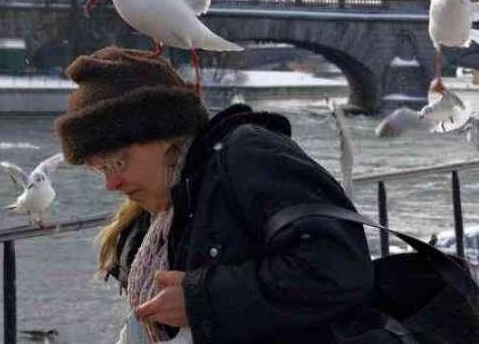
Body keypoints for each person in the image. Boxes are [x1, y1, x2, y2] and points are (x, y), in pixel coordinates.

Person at [56, 46, 397, 344]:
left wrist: (201, 300)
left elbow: (339, 267)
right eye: (100, 168)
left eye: (118, 161)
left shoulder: (246, 154)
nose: (111, 184)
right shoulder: (148, 225)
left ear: (164, 133)